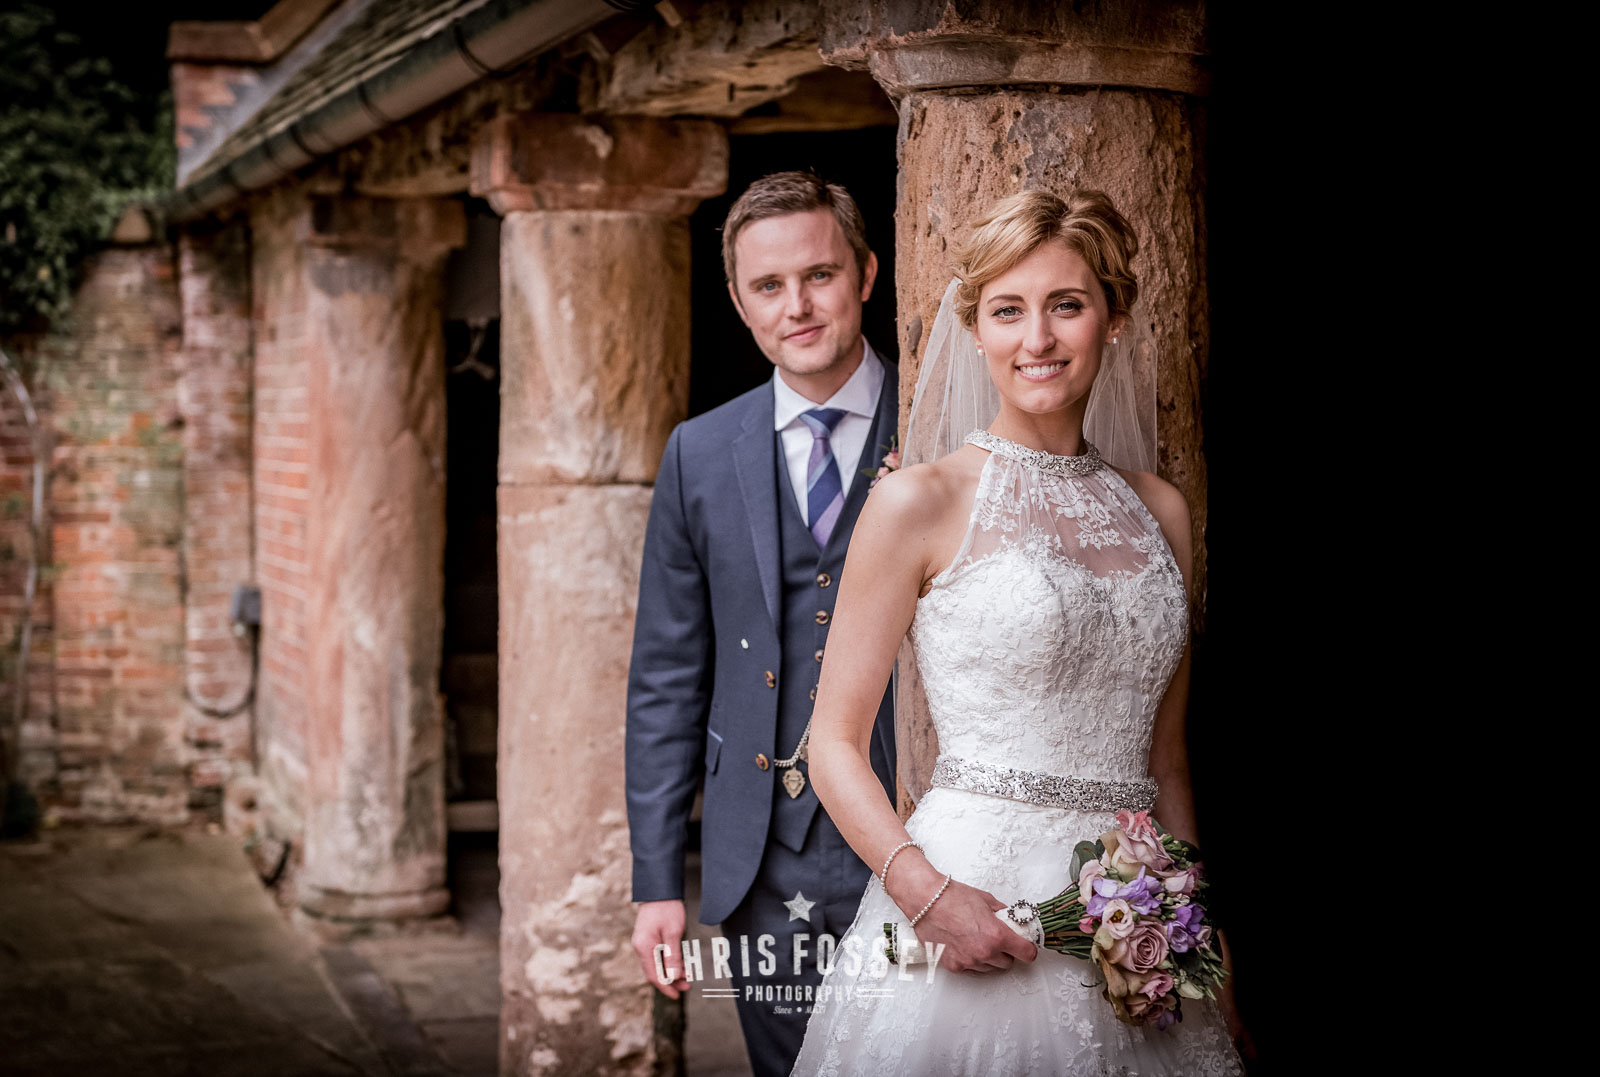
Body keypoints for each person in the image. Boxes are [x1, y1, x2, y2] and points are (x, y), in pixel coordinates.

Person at [788, 188, 1245, 1074]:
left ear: (1112, 318)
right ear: (978, 329)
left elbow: (1167, 763)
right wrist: (929, 897)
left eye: (1065, 305)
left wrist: (1205, 945)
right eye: (1008, 310)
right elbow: (833, 743)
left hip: (1138, 928)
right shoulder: (917, 500)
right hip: (970, 899)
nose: (1036, 339)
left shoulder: (1162, 512)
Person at [625, 170, 899, 1077]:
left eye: (818, 275)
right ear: (739, 301)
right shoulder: (698, 452)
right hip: (758, 861)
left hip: (913, 839)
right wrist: (658, 881)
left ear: (865, 271)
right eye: (769, 287)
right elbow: (666, 677)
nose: (798, 306)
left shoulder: (937, 428)